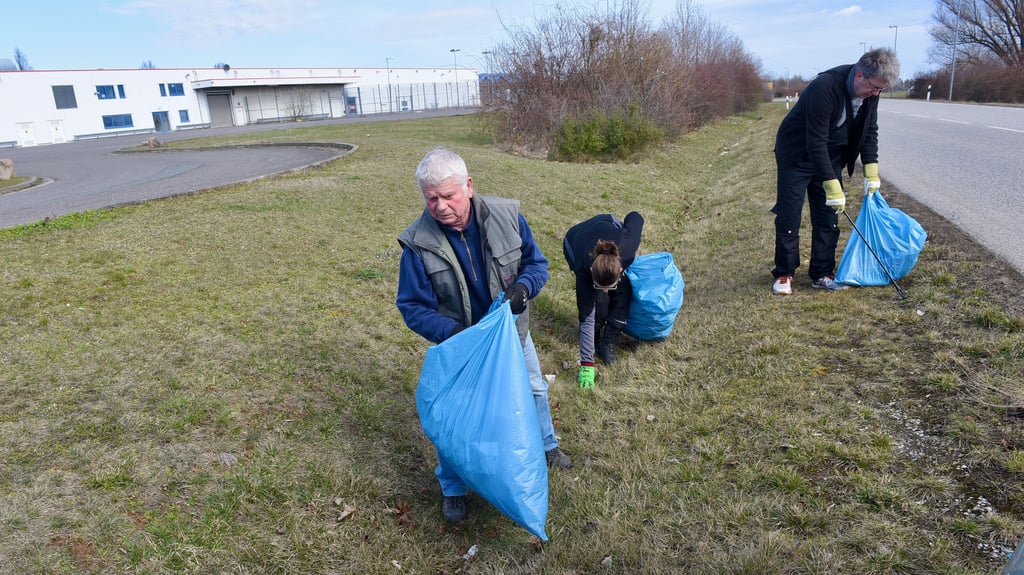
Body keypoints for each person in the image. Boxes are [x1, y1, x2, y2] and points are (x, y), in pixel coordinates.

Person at [396, 148, 571, 526]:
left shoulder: (507, 216)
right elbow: (412, 306)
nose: (440, 206)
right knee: (454, 418)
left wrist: (524, 289)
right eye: (431, 198)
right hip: (460, 347)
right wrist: (456, 334)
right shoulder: (417, 243)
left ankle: (546, 447)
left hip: (511, 336)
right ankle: (454, 488)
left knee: (533, 389)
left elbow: (536, 264)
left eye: (448, 195)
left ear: (469, 186)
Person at [771, 48, 900, 295]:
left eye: (880, 90)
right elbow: (815, 141)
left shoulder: (872, 91)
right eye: (874, 88)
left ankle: (822, 272)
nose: (875, 94)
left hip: (830, 156)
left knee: (829, 216)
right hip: (797, 154)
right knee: (790, 214)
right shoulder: (825, 87)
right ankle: (784, 273)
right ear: (860, 75)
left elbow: (869, 131)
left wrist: (871, 173)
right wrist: (833, 185)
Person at [563, 212, 644, 388]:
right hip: (575, 240)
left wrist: (621, 227)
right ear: (592, 272)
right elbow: (585, 318)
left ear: (621, 268)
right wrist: (586, 365)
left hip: (607, 224)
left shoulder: (627, 248)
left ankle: (609, 341)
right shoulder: (583, 270)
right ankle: (595, 336)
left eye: (610, 285)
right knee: (596, 305)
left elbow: (635, 216)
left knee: (623, 291)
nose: (607, 290)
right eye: (601, 286)